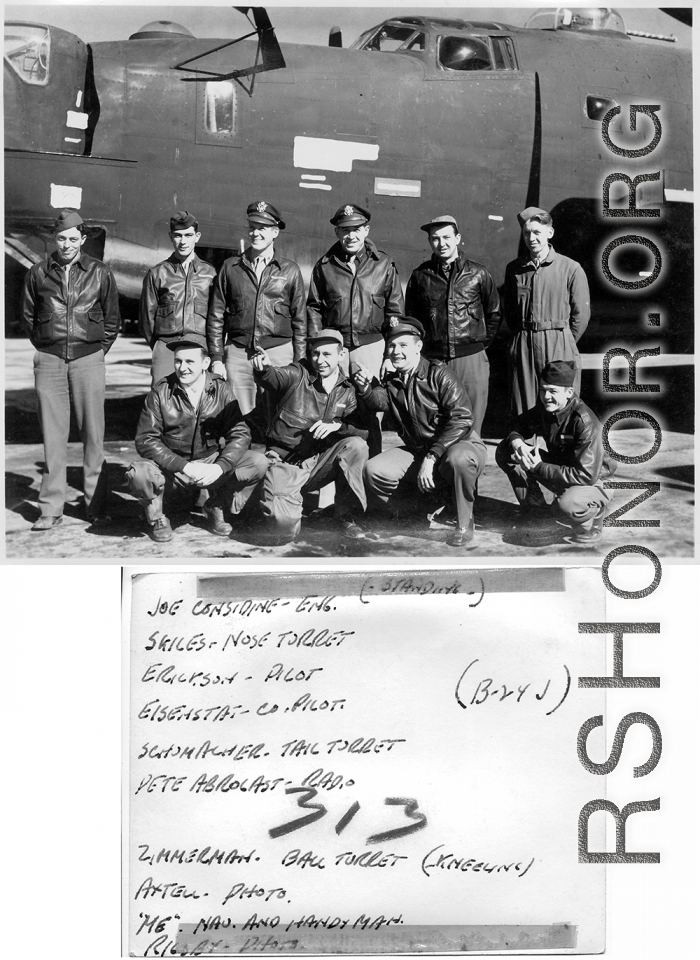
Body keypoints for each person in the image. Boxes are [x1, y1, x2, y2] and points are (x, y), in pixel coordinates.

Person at [21, 208, 120, 530]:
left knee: (94, 435)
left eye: (73, 239)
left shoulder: (100, 272)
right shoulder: (38, 273)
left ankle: (97, 506)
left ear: (83, 239)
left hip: (88, 359)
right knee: (53, 437)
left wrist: (94, 351)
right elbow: (28, 317)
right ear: (55, 238)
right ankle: (50, 508)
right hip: (49, 360)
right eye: (61, 238)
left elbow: (112, 319)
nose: (66, 244)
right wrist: (48, 348)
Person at [354, 316, 486, 548]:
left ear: (418, 347)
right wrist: (365, 389)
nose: (396, 351)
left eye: (403, 345)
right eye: (392, 346)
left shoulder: (439, 374)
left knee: (458, 460)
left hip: (459, 444)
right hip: (420, 449)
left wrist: (432, 456)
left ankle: (464, 522)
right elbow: (379, 401)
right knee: (374, 470)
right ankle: (420, 509)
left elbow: (462, 418)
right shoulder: (393, 381)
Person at [126, 335, 268, 543]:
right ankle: (157, 517)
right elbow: (146, 439)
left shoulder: (221, 389)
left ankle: (215, 505)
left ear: (206, 363)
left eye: (189, 361)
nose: (182, 367)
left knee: (257, 462)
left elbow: (240, 432)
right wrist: (184, 466)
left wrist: (220, 466)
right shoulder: (160, 391)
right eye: (178, 361)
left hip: (209, 463)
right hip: (173, 469)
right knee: (138, 473)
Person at [251, 329, 370, 542]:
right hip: (285, 464)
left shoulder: (348, 389)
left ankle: (345, 516)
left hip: (317, 465)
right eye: (315, 354)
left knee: (356, 445)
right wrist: (264, 369)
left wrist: (338, 426)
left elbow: (362, 431)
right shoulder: (298, 373)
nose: (319, 360)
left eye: (327, 354)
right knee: (284, 528)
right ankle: (283, 504)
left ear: (341, 355)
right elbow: (274, 378)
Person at [306, 203, 404, 454]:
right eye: (345, 230)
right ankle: (333, 474)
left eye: (357, 229)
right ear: (337, 233)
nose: (351, 235)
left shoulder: (383, 264)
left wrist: (390, 356)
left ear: (366, 230)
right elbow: (314, 308)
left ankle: (370, 474)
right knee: (333, 410)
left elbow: (395, 313)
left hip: (370, 348)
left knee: (371, 411)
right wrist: (319, 346)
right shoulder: (324, 266)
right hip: (336, 350)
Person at [495, 360, 616, 544]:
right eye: (543, 390)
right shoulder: (546, 409)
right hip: (564, 470)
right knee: (507, 450)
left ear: (568, 393)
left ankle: (595, 515)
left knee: (567, 504)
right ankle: (536, 510)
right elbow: (516, 424)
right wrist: (518, 442)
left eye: (553, 391)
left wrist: (539, 467)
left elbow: (586, 475)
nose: (546, 396)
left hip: (596, 480)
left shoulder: (583, 422)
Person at [206, 201, 306, 417]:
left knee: (281, 416)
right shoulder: (230, 268)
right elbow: (216, 316)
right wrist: (216, 357)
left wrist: (299, 364)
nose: (255, 233)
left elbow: (300, 323)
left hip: (279, 354)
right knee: (238, 418)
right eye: (252, 227)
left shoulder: (290, 271)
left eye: (262, 228)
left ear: (275, 232)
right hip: (239, 353)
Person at [405, 213, 501, 434]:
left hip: (470, 359)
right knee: (436, 419)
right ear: (430, 242)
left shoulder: (478, 273)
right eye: (435, 238)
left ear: (458, 238)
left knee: (472, 421)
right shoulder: (420, 276)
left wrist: (477, 347)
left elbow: (494, 313)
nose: (442, 243)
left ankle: (469, 465)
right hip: (434, 359)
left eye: (447, 237)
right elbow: (412, 318)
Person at [503, 206, 590, 418]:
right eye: (526, 233)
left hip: (558, 341)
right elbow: (511, 311)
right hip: (524, 341)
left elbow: (581, 315)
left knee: (561, 406)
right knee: (523, 404)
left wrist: (565, 341)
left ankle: (562, 450)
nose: (531, 238)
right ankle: (525, 449)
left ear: (549, 233)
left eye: (536, 232)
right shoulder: (514, 269)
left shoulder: (570, 268)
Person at [139, 210, 216, 385]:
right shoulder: (157, 274)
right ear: (170, 237)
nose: (183, 241)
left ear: (197, 236)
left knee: (199, 402)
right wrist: (159, 348)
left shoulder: (211, 274)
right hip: (167, 347)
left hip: (200, 346)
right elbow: (146, 320)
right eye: (178, 235)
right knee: (162, 399)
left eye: (188, 235)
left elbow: (218, 317)